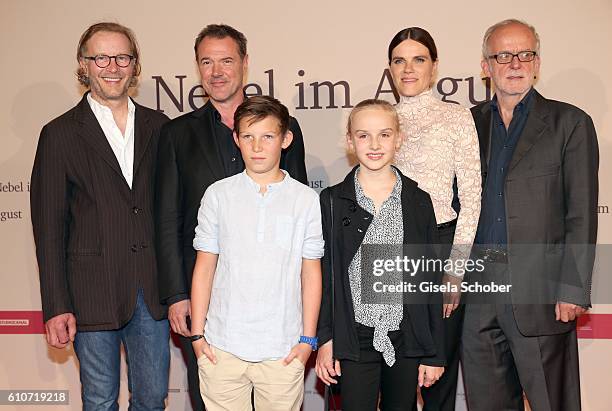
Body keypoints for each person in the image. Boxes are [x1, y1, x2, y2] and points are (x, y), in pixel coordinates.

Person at [154, 24, 308, 410]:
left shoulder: (283, 126)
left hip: (275, 309)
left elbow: (301, 214)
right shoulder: (176, 134)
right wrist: (177, 295)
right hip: (206, 303)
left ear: (245, 64)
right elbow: (168, 218)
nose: (216, 71)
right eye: (207, 62)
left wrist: (306, 327)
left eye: (226, 60)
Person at [30, 22, 170, 410]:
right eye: (101, 57)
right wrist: (56, 304)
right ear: (84, 64)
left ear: (134, 65)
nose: (113, 66)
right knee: (99, 399)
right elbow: (49, 228)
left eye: (122, 57)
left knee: (152, 398)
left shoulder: (160, 127)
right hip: (90, 293)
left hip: (151, 291)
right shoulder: (58, 134)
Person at [462, 19, 598, 411]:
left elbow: (581, 215)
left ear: (537, 63)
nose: (515, 63)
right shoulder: (465, 126)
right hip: (478, 295)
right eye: (503, 55)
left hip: (541, 294)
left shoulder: (569, 123)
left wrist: (572, 288)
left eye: (526, 54)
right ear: (486, 66)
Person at [188, 95, 323, 410]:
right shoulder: (218, 195)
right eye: (248, 136)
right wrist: (197, 337)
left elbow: (311, 273)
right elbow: (204, 268)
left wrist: (307, 341)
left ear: (285, 139)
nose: (257, 146)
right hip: (221, 347)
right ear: (236, 139)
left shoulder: (305, 199)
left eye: (267, 136)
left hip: (283, 349)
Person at [315, 99, 445, 410]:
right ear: (350, 141)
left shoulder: (418, 201)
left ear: (399, 139)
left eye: (384, 135)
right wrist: (326, 339)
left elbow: (430, 281)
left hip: (406, 336)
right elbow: (324, 276)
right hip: (354, 337)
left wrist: (434, 353)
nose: (374, 144)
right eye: (363, 135)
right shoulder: (332, 201)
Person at [388, 27, 481, 411]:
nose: (408, 69)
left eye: (418, 59)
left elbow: (472, 197)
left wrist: (456, 270)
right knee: (391, 369)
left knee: (437, 372)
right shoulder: (379, 120)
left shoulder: (456, 118)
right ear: (390, 68)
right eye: (399, 60)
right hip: (387, 251)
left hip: (440, 252)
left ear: (435, 66)